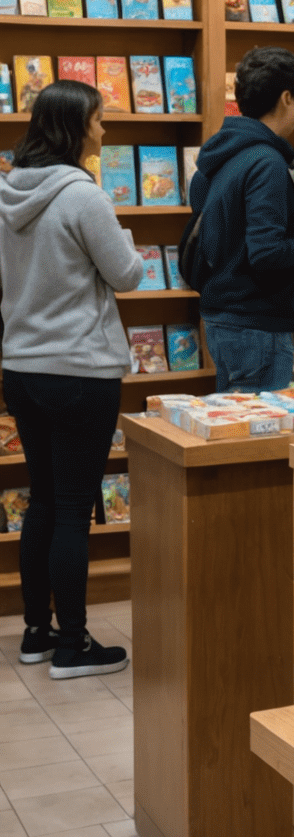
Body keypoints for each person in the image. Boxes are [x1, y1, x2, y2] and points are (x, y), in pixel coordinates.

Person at [0, 80, 141, 677]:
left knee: (44, 499)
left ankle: (37, 631)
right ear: (76, 127)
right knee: (74, 505)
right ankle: (75, 645)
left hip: (21, 368)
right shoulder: (84, 197)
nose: (104, 131)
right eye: (99, 120)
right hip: (80, 370)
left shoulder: (6, 192)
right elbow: (127, 274)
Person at [188, 47, 294, 391]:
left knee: (238, 428)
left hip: (224, 316)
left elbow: (226, 240)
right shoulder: (266, 162)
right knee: (260, 436)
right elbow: (265, 253)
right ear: (286, 98)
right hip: (256, 325)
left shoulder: (222, 155)